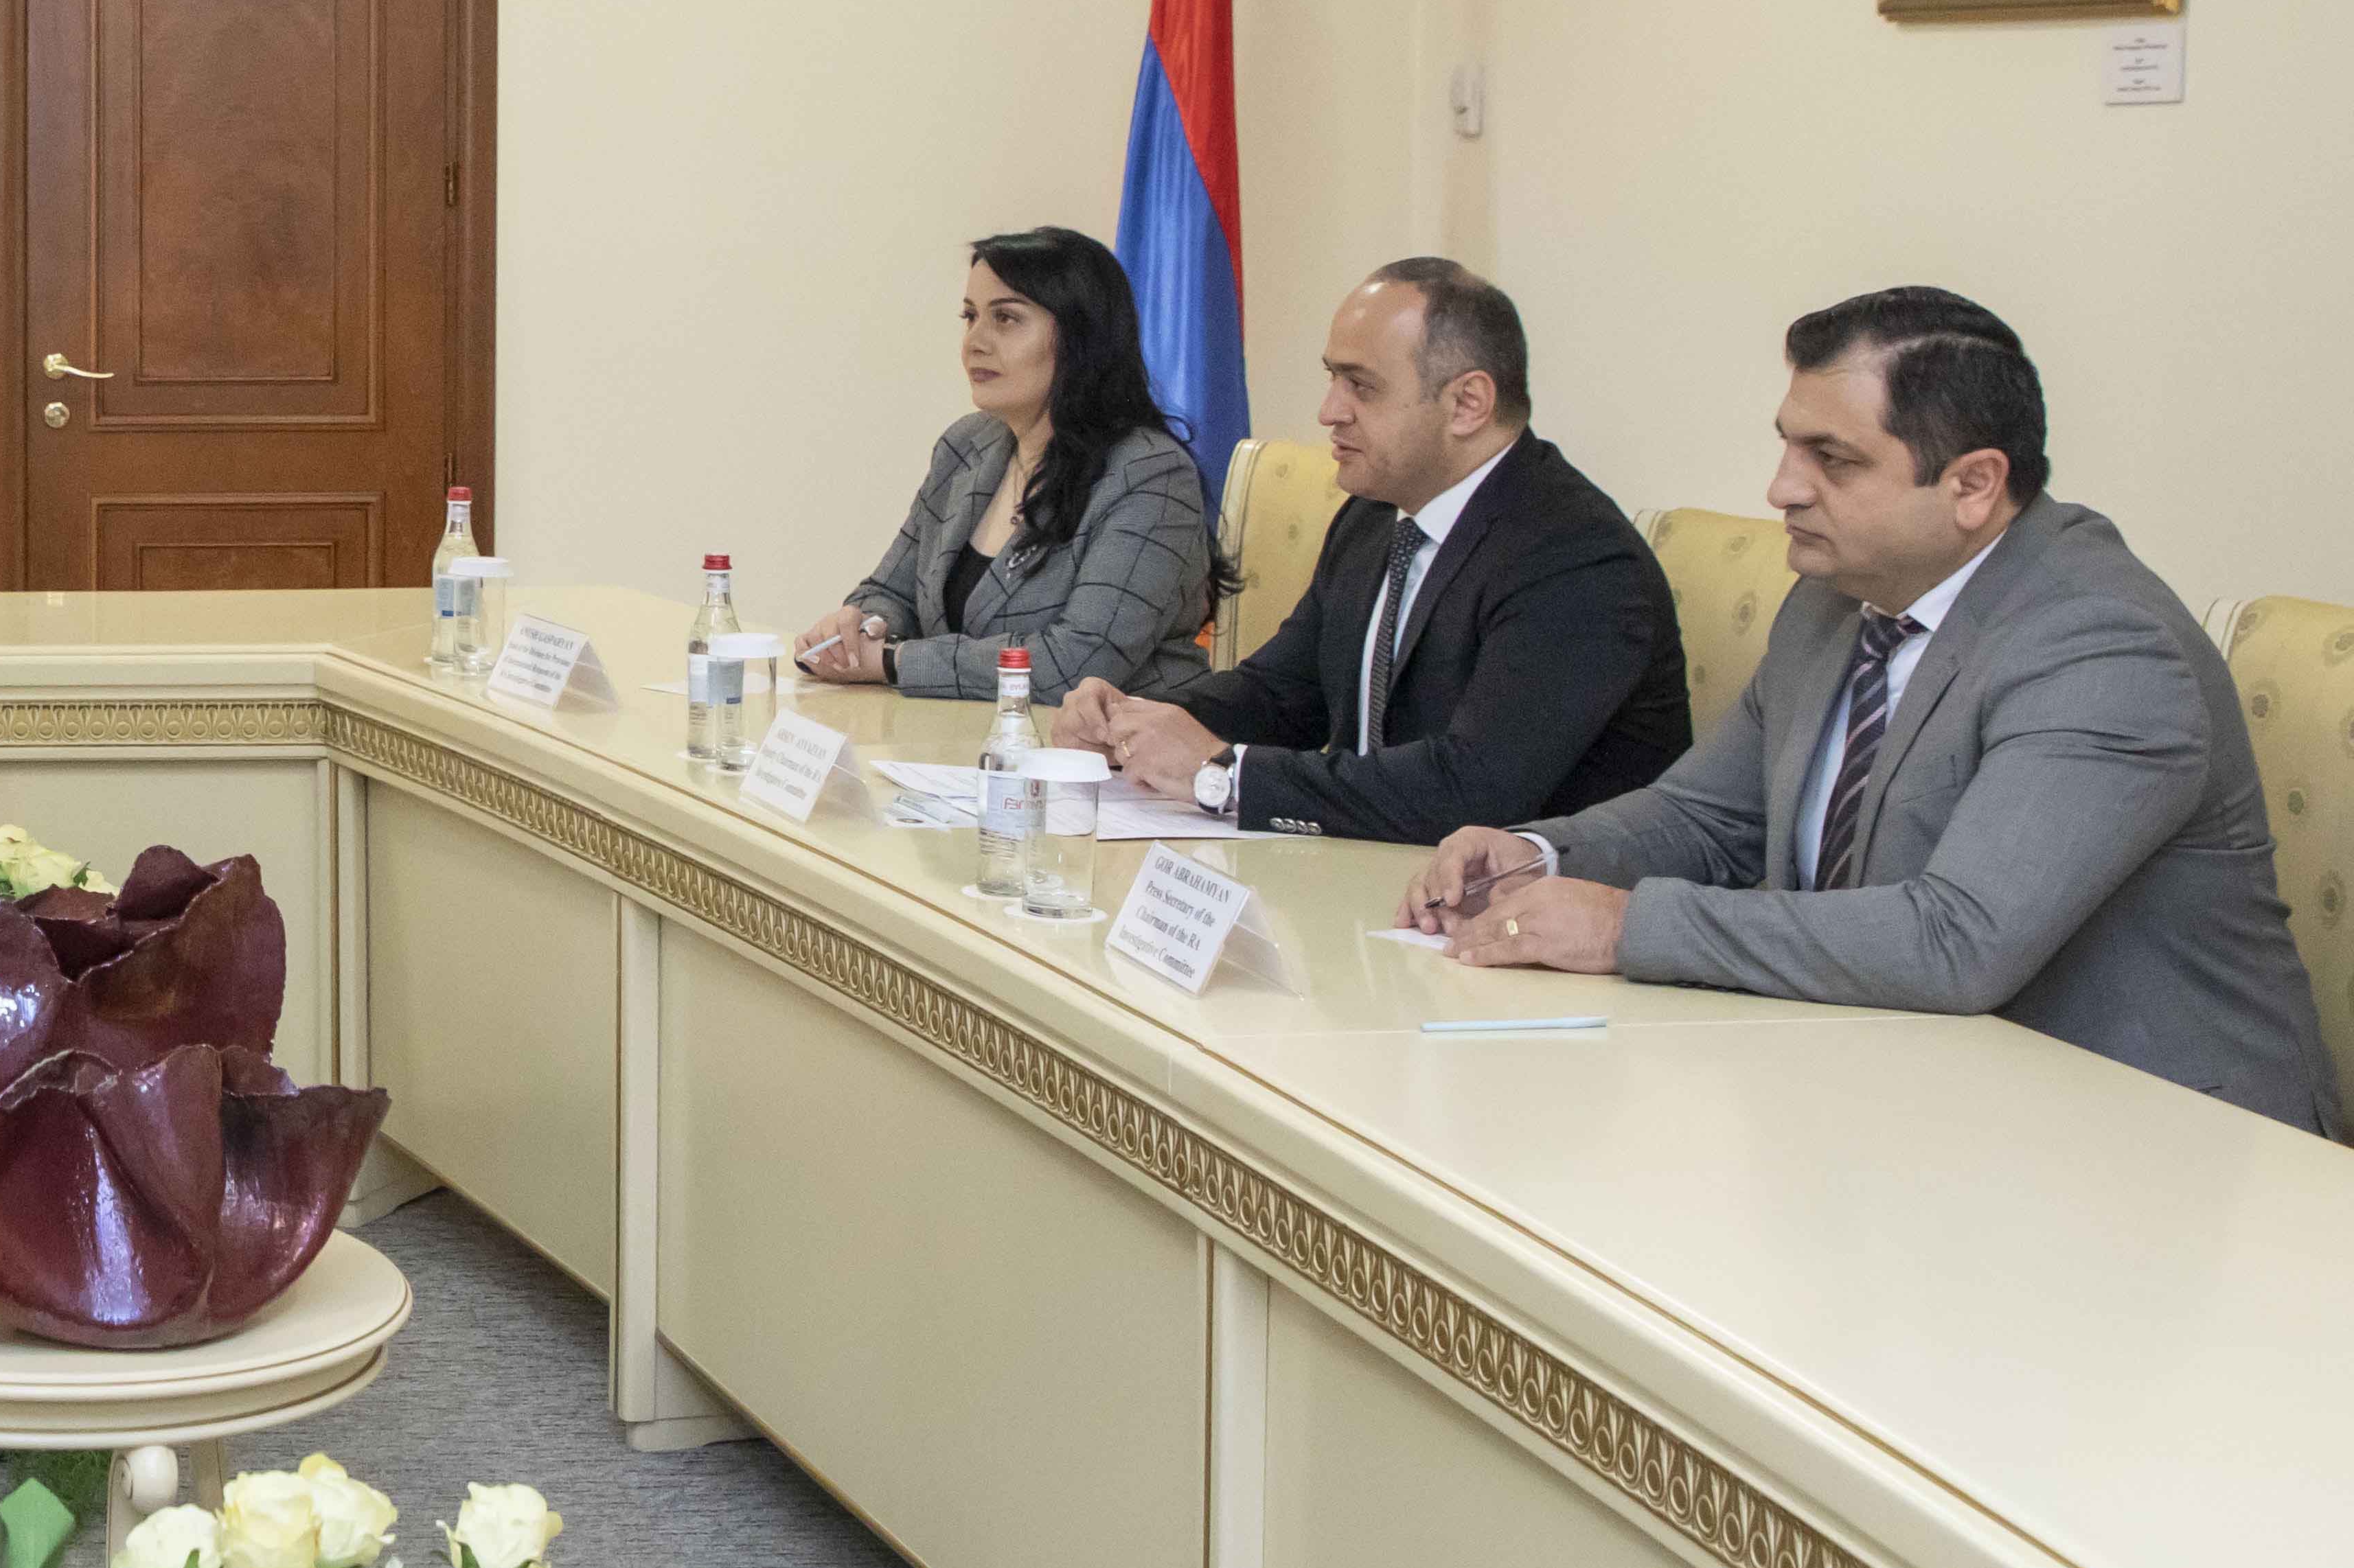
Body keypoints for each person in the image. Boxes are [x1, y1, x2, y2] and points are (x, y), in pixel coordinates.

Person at [1410, 289, 2338, 1135]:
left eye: (1833, 459)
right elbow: (1709, 816)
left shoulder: (2100, 644)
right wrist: (1537, 854)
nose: (1782, 487)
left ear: (1973, 485)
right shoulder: (1835, 598)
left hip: (2161, 1140)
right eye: (1788, 444)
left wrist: (1622, 926)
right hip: (1909, 1093)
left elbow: (1958, 940)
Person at [1053, 259, 1687, 840]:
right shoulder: (1376, 514)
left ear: (1468, 403)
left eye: (1362, 386)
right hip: (1377, 869)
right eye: (1333, 378)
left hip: (1514, 902)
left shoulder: (1575, 556)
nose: (1329, 411)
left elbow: (1470, 789)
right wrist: (1136, 720)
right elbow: (1284, 693)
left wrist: (1221, 773)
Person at [795, 226, 1220, 703]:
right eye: (970, 316)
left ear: (1080, 337)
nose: (974, 342)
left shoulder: (1152, 476)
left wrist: (894, 661)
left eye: (1006, 318)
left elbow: (1076, 665)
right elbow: (891, 593)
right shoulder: (966, 446)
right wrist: (860, 629)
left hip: (1113, 745)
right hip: (966, 736)